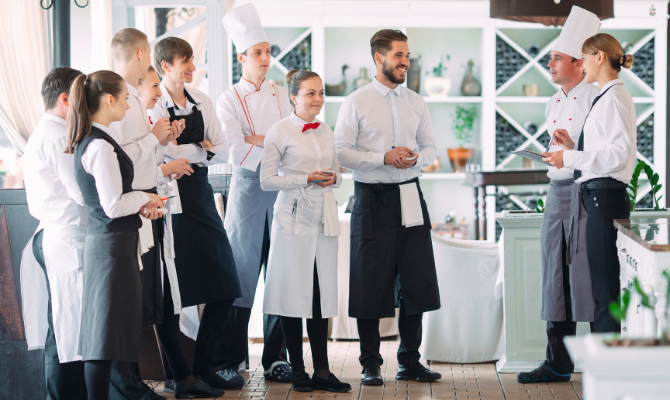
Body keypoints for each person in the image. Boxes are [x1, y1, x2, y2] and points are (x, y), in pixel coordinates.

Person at [334, 29, 441, 386]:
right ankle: (370, 364)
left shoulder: (416, 102)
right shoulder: (357, 101)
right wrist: (383, 157)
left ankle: (410, 360)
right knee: (369, 281)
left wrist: (416, 158)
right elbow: (341, 151)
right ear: (379, 58)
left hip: (410, 194)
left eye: (407, 55)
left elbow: (431, 148)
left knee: (416, 279)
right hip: (371, 198)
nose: (405, 62)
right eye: (398, 55)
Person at [148, 36, 243, 394]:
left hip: (201, 199)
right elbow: (157, 156)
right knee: (173, 293)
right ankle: (179, 373)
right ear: (165, 67)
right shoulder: (155, 105)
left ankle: (205, 365)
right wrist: (195, 150)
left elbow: (222, 148)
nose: (191, 67)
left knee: (226, 285)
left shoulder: (202, 100)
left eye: (192, 60)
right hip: (171, 205)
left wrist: (184, 152)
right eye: (184, 62)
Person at [65, 70, 163, 400]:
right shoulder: (99, 146)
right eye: (124, 98)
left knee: (107, 336)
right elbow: (111, 205)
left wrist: (140, 205)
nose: (127, 105)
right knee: (102, 337)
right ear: (109, 100)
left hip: (112, 247)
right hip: (110, 250)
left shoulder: (94, 140)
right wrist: (145, 198)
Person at [517, 6, 601, 384]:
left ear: (580, 64)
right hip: (557, 190)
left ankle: (600, 363)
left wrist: (571, 146)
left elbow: (601, 150)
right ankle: (557, 362)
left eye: (556, 57)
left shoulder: (597, 98)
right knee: (554, 274)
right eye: (549, 56)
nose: (548, 62)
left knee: (585, 276)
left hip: (585, 191)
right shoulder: (553, 102)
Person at [109, 27, 193, 400]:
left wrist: (160, 141)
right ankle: (126, 383)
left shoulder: (130, 98)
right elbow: (116, 158)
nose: (156, 91)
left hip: (147, 205)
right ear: (142, 53)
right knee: (130, 304)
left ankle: (146, 378)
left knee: (149, 297)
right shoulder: (114, 98)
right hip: (128, 210)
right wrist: (154, 141)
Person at [215, 2, 291, 385]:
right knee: (240, 277)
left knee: (279, 274)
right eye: (257, 53)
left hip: (281, 193)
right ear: (241, 57)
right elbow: (234, 150)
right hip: (246, 194)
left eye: (268, 51)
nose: (265, 58)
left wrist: (257, 138)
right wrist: (271, 144)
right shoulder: (228, 99)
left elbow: (292, 139)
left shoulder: (282, 93)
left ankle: (276, 359)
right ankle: (231, 358)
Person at [260, 69, 350, 393]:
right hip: (292, 215)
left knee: (320, 292)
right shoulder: (279, 131)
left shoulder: (326, 130)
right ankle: (297, 369)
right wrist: (305, 178)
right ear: (294, 97)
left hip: (323, 212)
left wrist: (332, 178)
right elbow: (267, 180)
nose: (317, 100)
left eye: (321, 93)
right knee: (291, 292)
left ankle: (323, 371)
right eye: (310, 93)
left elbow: (338, 172)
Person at [542, 33, 637, 335]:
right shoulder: (607, 96)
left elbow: (618, 155)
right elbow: (604, 148)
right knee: (601, 288)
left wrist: (569, 160)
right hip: (599, 196)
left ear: (599, 57)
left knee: (605, 290)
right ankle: (603, 366)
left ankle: (606, 370)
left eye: (584, 58)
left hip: (604, 197)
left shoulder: (613, 96)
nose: (581, 65)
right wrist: (571, 148)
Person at [21, 66, 87, 400]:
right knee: (67, 332)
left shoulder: (45, 132)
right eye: (82, 96)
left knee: (64, 328)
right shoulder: (59, 135)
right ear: (65, 99)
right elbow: (81, 192)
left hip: (55, 236)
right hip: (65, 239)